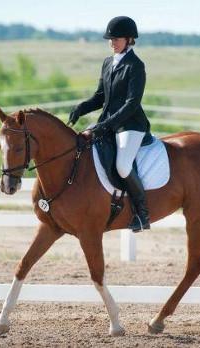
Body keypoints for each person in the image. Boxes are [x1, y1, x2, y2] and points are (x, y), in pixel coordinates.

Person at [68, 16, 151, 232]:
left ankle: (142, 213)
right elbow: (99, 97)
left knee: (123, 166)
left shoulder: (136, 66)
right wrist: (81, 108)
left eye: (117, 38)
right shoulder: (108, 62)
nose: (112, 42)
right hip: (108, 123)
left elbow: (132, 104)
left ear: (129, 39)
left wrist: (106, 125)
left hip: (130, 125)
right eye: (110, 39)